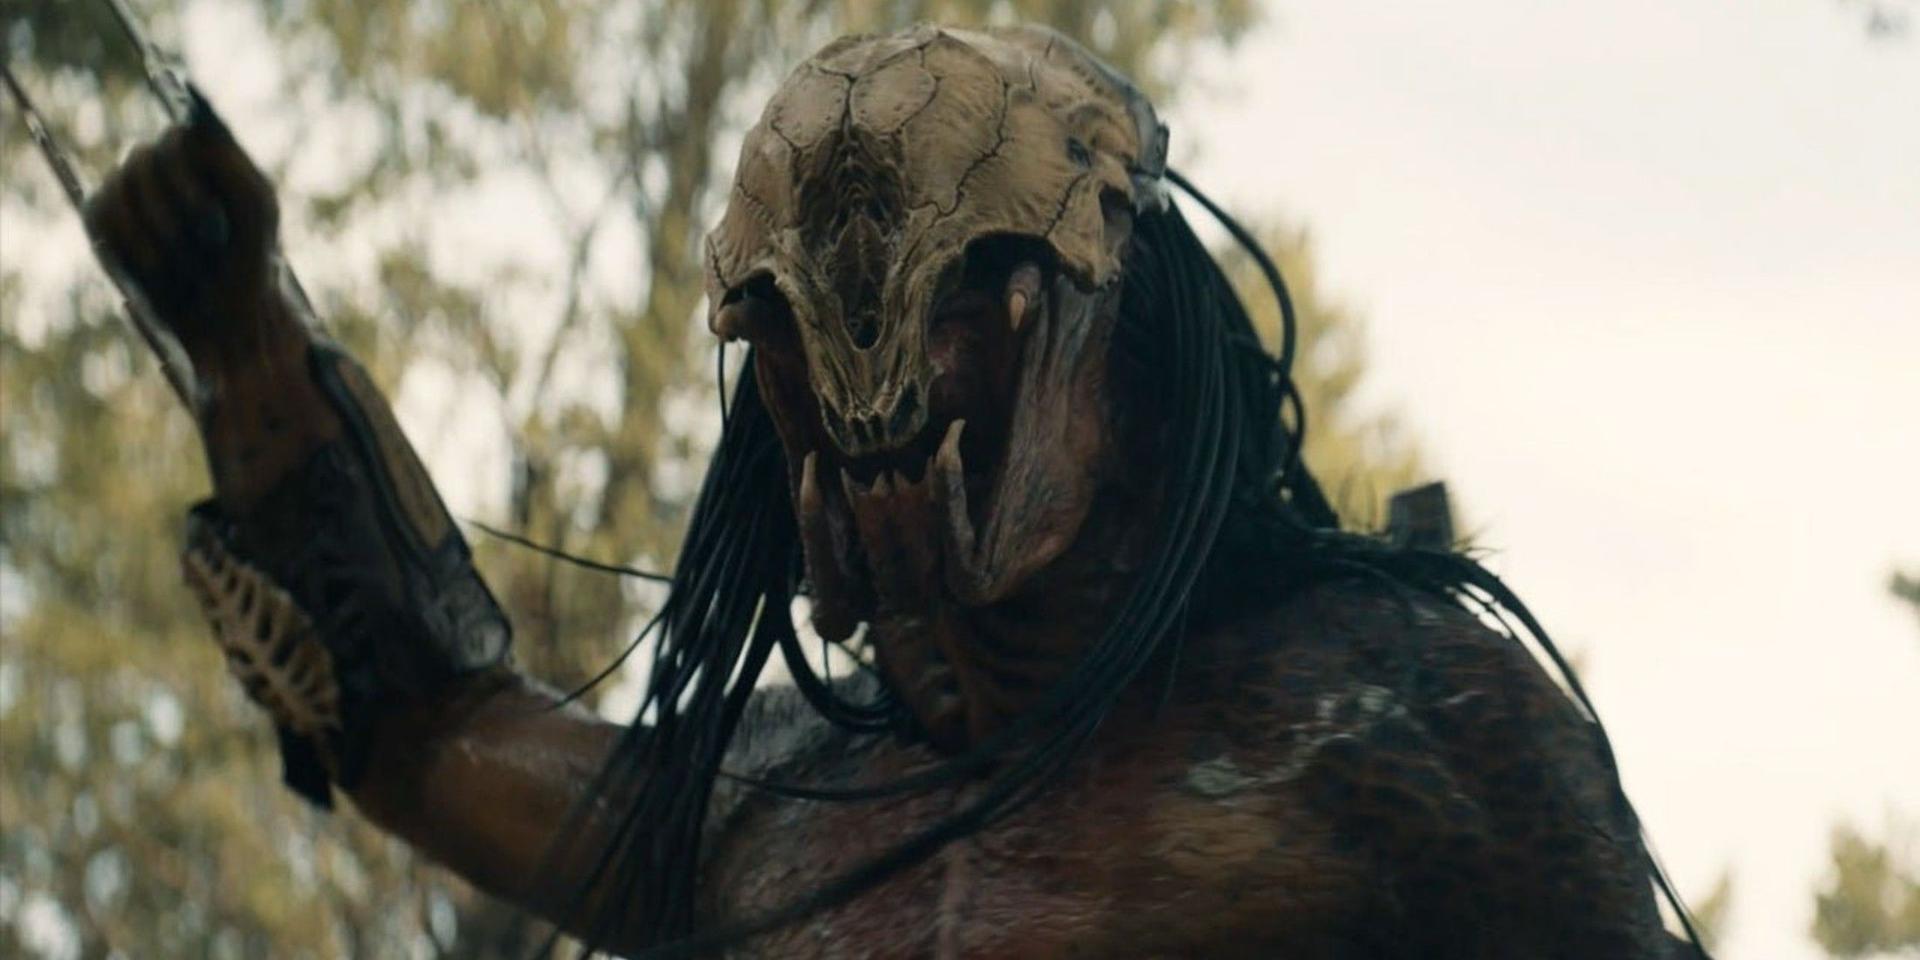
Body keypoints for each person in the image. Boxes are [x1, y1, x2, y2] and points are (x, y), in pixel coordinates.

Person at [81, 23, 1701, 959]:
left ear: (1115, 339)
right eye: (796, 322)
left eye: (973, 293)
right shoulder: (764, 799)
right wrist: (244, 342)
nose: (892, 366)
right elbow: (425, 733)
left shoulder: (1395, 726)